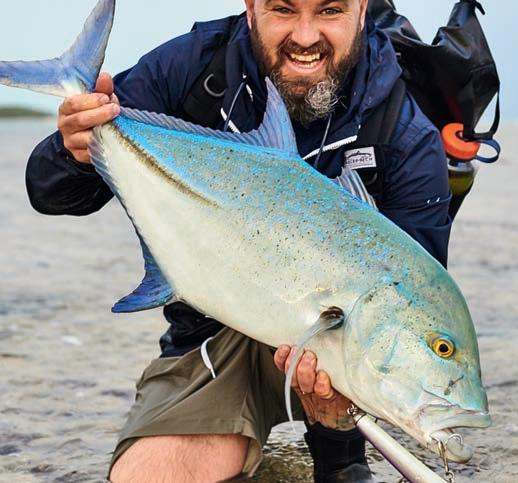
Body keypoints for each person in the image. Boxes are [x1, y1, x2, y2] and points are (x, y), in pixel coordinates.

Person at [26, 0, 451, 481]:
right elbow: (48, 192)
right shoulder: (191, 68)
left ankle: (340, 451)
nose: (305, 37)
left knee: (348, 434)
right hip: (212, 335)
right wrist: (76, 149)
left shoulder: (408, 137)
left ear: (362, 10)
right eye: (283, 9)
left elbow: (415, 302)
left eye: (330, 10)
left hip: (341, 352)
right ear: (250, 7)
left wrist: (338, 441)